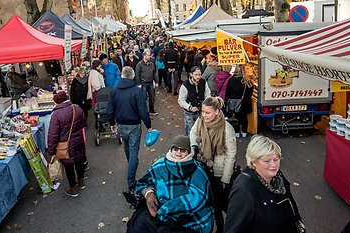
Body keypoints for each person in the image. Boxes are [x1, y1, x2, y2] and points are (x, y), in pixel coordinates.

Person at [126, 135, 214, 233]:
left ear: (188, 152)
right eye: (176, 149)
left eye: (183, 150)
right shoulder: (160, 165)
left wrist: (170, 207)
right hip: (160, 207)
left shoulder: (196, 169)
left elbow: (200, 197)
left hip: (187, 212)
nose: (179, 153)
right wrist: (149, 194)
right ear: (171, 149)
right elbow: (144, 182)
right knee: (137, 224)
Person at [224, 135, 305, 233]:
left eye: (276, 159)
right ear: (253, 162)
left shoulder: (277, 177)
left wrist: (298, 221)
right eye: (267, 161)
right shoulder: (243, 190)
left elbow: (290, 202)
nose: (274, 165)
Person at [190, 96, 236, 233]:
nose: (204, 115)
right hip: (205, 168)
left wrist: (225, 179)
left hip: (220, 172)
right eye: (203, 112)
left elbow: (231, 155)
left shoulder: (227, 128)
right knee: (212, 203)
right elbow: (193, 133)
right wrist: (194, 147)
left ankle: (234, 226)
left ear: (217, 111)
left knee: (224, 204)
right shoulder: (200, 121)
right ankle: (220, 227)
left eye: (207, 112)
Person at [107, 66, 152, 192]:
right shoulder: (136, 92)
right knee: (133, 151)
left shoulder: (115, 91)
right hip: (134, 126)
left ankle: (130, 163)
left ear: (122, 76)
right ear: (132, 76)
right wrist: (148, 125)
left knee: (127, 146)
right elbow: (143, 110)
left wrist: (112, 123)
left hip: (121, 124)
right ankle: (131, 181)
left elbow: (110, 110)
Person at [47, 91, 87, 197]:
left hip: (65, 145)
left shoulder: (56, 115)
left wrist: (51, 150)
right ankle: (81, 181)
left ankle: (73, 188)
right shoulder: (77, 108)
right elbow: (83, 123)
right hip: (78, 141)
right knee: (79, 161)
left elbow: (53, 135)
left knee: (69, 166)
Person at [178, 66, 211, 136]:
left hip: (201, 111)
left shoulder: (203, 82)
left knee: (201, 130)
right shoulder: (185, 85)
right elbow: (181, 100)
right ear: (191, 74)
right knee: (190, 131)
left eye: (199, 75)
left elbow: (207, 95)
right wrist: (190, 107)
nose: (198, 77)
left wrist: (206, 105)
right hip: (189, 113)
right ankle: (189, 145)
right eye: (196, 75)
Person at [225, 65, 254, 137]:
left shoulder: (231, 80)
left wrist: (226, 101)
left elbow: (227, 92)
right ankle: (244, 132)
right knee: (244, 117)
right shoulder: (247, 80)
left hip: (234, 103)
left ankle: (237, 132)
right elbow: (251, 92)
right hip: (245, 102)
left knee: (236, 118)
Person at [136, 49, 158, 115]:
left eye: (150, 55)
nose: (149, 57)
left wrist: (156, 81)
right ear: (144, 55)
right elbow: (137, 74)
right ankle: (144, 111)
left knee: (152, 97)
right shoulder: (139, 64)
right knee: (143, 98)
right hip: (143, 84)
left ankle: (151, 110)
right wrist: (139, 83)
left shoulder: (151, 64)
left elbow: (154, 73)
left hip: (150, 83)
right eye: (148, 55)